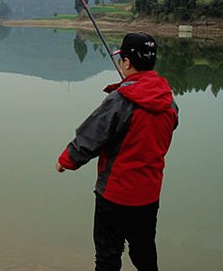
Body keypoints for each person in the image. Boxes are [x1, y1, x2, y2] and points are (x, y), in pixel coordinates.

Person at [55, 32, 178, 271]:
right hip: (148, 196)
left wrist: (66, 160)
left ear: (127, 62)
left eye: (123, 58)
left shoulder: (120, 101)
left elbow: (92, 136)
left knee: (108, 256)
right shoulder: (169, 101)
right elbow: (169, 126)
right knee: (144, 251)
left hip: (115, 196)